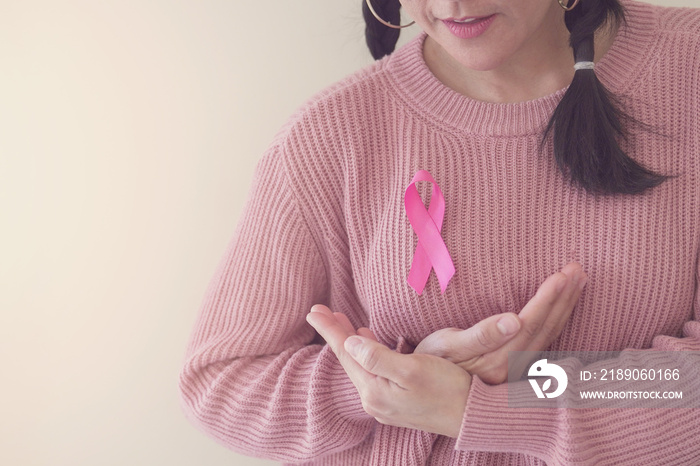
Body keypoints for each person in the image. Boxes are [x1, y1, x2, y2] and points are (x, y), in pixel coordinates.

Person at [179, 0, 700, 464]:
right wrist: (383, 380)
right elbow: (222, 385)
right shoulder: (330, 133)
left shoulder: (688, 66)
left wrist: (507, 400)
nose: (453, 4)